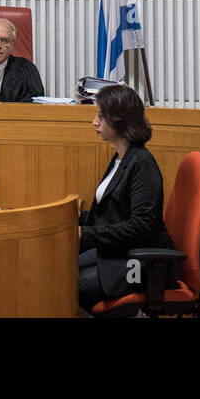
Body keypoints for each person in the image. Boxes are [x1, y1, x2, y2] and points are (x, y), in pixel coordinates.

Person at [77, 83, 175, 311]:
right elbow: (111, 213)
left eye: (100, 116)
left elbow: (140, 226)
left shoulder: (142, 163)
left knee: (64, 283)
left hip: (137, 263)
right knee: (57, 270)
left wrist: (87, 234)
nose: (94, 122)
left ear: (119, 119)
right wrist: (73, 219)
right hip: (116, 253)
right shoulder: (121, 157)